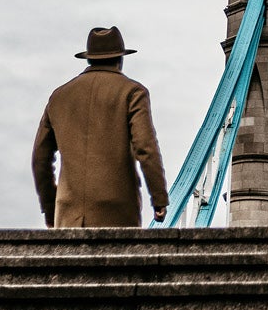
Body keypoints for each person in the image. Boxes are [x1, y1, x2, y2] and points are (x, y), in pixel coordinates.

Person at [31, 26, 168, 227]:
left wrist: (50, 209)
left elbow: (40, 159)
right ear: (120, 59)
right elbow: (146, 148)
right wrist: (159, 199)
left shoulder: (59, 97)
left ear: (89, 58)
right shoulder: (133, 92)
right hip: (118, 212)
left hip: (69, 214)